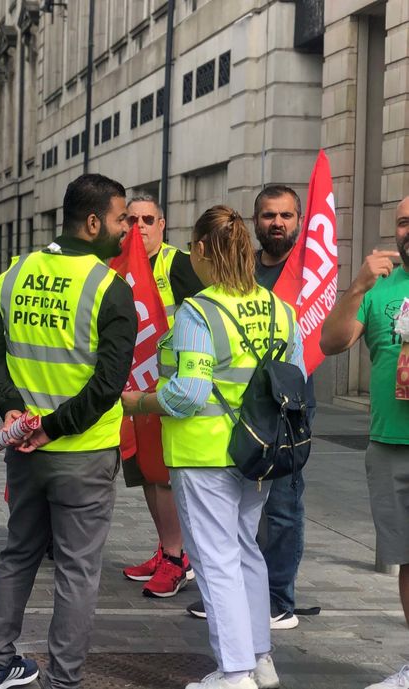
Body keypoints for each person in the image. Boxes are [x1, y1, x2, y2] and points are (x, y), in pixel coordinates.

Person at [123, 205, 305, 689]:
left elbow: (188, 393)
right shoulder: (280, 309)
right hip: (260, 452)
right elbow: (296, 378)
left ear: (202, 249)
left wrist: (139, 402)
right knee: (246, 551)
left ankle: (234, 671)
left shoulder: (198, 311)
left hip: (204, 454)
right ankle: (260, 660)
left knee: (215, 559)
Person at [0, 173, 137, 689]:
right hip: (84, 452)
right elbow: (108, 385)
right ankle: (63, 681)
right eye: (121, 219)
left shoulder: (15, 273)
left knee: (18, 553)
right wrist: (53, 427)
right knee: (78, 570)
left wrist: (12, 412)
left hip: (24, 448)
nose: (128, 228)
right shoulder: (110, 289)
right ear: (93, 222)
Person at [185, 185, 317, 629]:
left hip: (264, 422)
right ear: (252, 225)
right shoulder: (259, 284)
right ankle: (254, 636)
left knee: (264, 523)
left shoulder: (309, 273)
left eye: (286, 215)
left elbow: (187, 392)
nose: (277, 222)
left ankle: (270, 612)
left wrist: (143, 402)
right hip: (243, 428)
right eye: (268, 215)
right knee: (243, 538)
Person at [321, 194, 409, 689]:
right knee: (407, 561)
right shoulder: (378, 289)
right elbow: (331, 342)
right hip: (390, 444)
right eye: (404, 222)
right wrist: (356, 285)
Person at [121, 194, 202, 598]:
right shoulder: (118, 265)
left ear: (162, 224)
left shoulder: (179, 264)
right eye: (132, 219)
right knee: (147, 475)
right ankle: (166, 547)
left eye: (147, 219)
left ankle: (177, 557)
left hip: (168, 389)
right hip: (133, 388)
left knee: (164, 477)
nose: (139, 227)